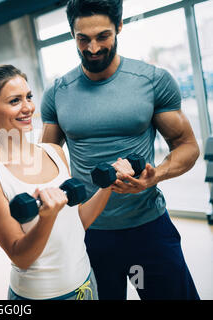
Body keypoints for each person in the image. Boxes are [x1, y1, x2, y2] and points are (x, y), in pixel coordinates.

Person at [40, 0, 200, 300]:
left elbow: (187, 146)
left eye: (103, 36)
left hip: (147, 227)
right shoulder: (58, 93)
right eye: (83, 39)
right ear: (72, 34)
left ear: (119, 27)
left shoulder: (152, 81)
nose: (93, 48)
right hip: (89, 233)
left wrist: (157, 175)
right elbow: (46, 160)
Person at [0, 64, 134, 300]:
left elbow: (78, 222)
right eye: (15, 101)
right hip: (40, 296)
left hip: (86, 283)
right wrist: (46, 217)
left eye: (28, 97)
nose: (28, 108)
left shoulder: (54, 152)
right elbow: (21, 257)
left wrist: (109, 185)